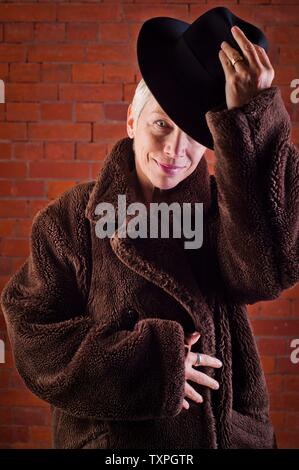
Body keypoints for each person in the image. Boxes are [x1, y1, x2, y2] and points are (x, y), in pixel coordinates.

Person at [1, 8, 298, 449]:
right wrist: (151, 369)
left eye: (194, 134)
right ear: (131, 122)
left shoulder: (225, 210)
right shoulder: (70, 219)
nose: (174, 150)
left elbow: (267, 272)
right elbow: (31, 333)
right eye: (161, 124)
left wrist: (253, 116)